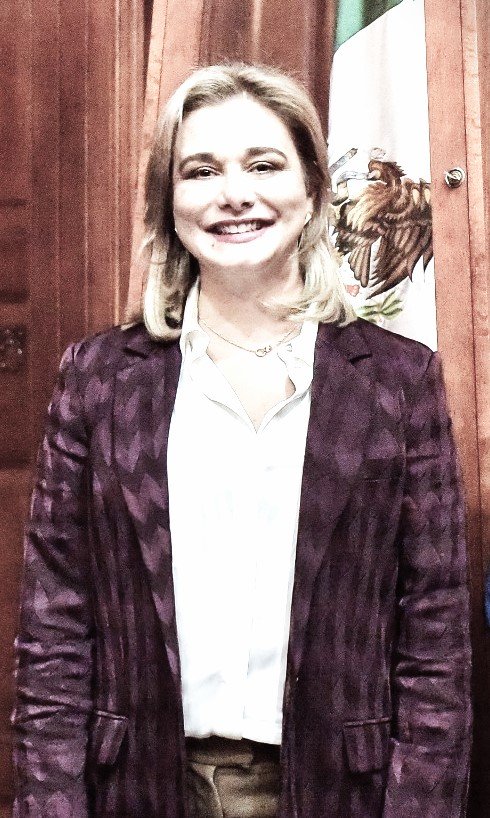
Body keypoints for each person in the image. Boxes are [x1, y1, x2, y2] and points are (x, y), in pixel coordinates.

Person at [12, 62, 471, 818]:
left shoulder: (399, 382)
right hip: (140, 788)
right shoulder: (98, 379)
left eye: (264, 165)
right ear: (169, 202)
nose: (234, 194)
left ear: (313, 189)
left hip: (337, 792)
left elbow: (435, 642)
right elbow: (55, 632)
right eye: (201, 170)